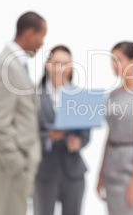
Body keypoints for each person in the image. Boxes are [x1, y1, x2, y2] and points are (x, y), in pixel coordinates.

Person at [0, 11, 47, 215]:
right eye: (41, 36)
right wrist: (17, 165)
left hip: (16, 170)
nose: (42, 43)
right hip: (9, 169)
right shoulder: (6, 65)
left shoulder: (16, 64)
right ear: (30, 33)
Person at [97, 41, 133, 215]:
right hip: (111, 165)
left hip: (130, 166)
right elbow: (110, 135)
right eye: (112, 60)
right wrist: (100, 173)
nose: (114, 65)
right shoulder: (113, 94)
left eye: (118, 60)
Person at [33, 45, 90, 215]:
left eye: (66, 64)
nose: (61, 68)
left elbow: (85, 135)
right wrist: (48, 137)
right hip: (45, 171)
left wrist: (77, 142)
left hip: (73, 172)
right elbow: (28, 134)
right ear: (47, 65)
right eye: (57, 63)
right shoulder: (34, 96)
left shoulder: (80, 96)